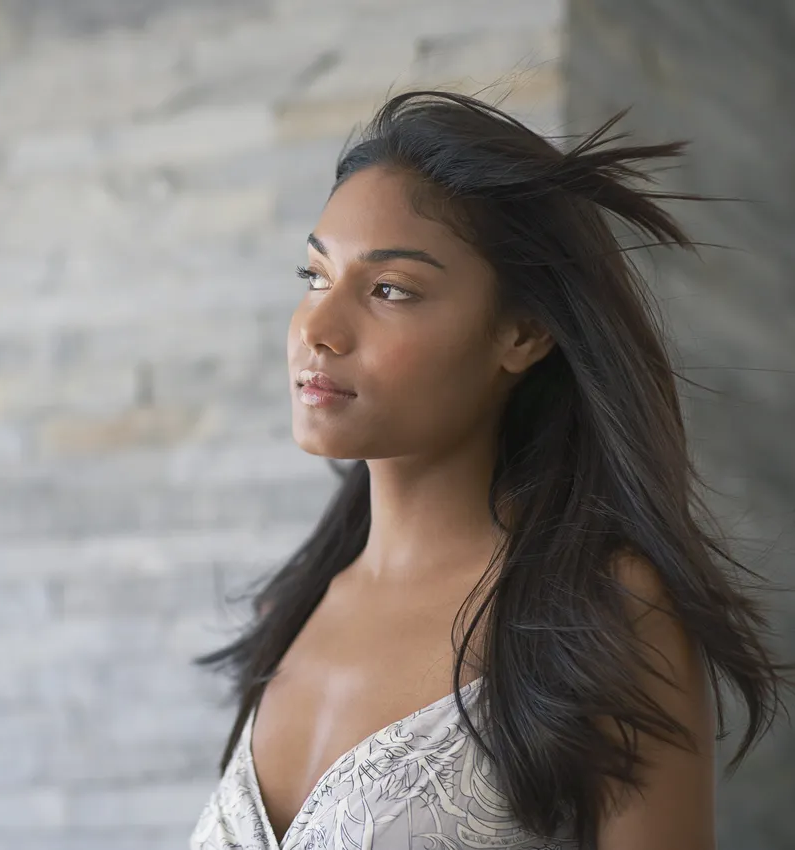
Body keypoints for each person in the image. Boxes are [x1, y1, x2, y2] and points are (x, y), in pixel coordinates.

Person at [188, 89, 790, 850]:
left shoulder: (600, 612)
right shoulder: (289, 613)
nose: (318, 328)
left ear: (522, 332)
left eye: (388, 290)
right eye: (314, 276)